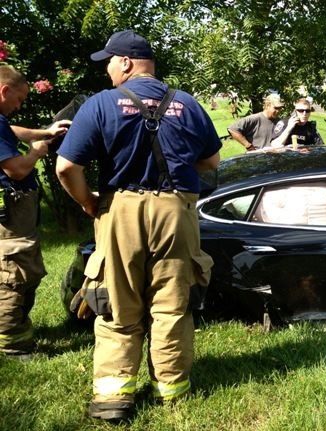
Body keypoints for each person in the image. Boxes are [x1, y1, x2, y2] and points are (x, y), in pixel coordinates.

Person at [55, 30, 221, 421]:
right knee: (172, 302)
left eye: (109, 62)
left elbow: (66, 166)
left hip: (120, 209)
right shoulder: (187, 103)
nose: (108, 70)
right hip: (176, 210)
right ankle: (171, 388)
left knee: (117, 299)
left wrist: (87, 201)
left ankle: (114, 396)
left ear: (126, 62)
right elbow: (212, 163)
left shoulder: (100, 105)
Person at [0, 65, 71, 360]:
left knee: (20, 267)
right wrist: (37, 152)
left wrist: (47, 132)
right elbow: (15, 169)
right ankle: (13, 345)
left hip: (15, 212)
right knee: (13, 274)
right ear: (4, 91)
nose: (20, 106)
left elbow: (11, 131)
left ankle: (16, 331)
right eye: (19, 99)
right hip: (10, 213)